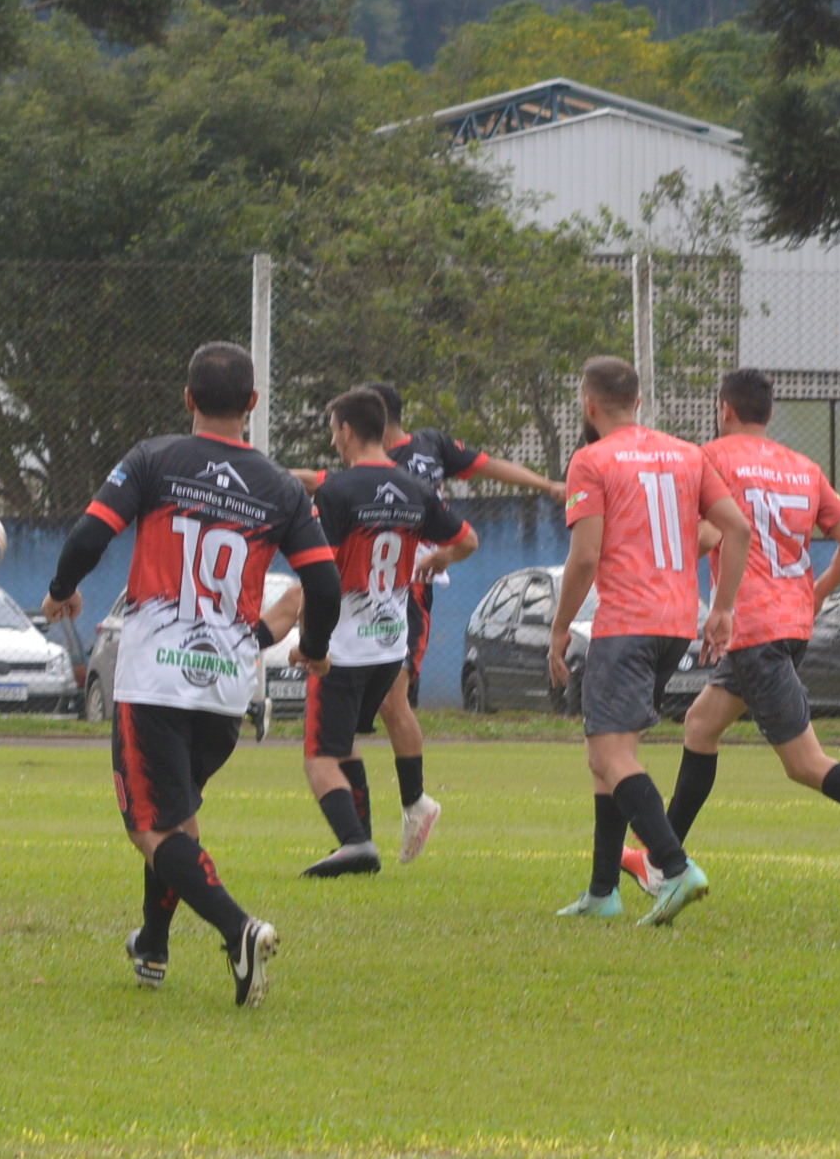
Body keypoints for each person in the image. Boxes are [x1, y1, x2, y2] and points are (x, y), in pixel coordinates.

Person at [40, 341, 344, 1007]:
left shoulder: (153, 459)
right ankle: (153, 943)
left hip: (155, 677)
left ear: (186, 399)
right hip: (225, 685)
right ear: (254, 406)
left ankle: (239, 928)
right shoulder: (281, 487)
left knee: (146, 828)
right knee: (179, 819)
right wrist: (315, 646)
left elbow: (92, 534)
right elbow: (323, 579)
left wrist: (63, 587)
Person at [643, 368, 840, 861]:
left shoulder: (711, 458)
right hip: (790, 625)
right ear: (769, 414)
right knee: (701, 724)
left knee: (804, 763)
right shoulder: (803, 466)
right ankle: (662, 858)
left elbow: (713, 534)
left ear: (724, 410)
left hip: (753, 627)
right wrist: (814, 594)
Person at [547, 354, 750, 924]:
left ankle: (674, 866)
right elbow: (734, 528)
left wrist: (560, 626)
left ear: (588, 406)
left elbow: (586, 554)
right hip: (674, 623)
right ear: (639, 402)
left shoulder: (591, 460)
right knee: (607, 759)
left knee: (610, 755)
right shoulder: (688, 454)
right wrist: (724, 609)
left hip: (626, 624)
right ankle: (603, 891)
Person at [360, 380, 564, 859]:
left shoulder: (430, 445)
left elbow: (488, 465)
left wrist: (545, 484)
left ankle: (409, 807)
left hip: (410, 588)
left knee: (393, 701)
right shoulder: (365, 465)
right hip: (369, 589)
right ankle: (388, 814)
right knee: (379, 704)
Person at [286, 386, 474, 877]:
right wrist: (439, 558)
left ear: (347, 431)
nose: (333, 443)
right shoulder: (415, 489)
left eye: (333, 432)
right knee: (345, 738)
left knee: (318, 756)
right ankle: (360, 840)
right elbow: (468, 539)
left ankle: (355, 843)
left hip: (344, 647)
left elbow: (319, 573)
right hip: (390, 645)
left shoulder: (338, 491)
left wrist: (311, 644)